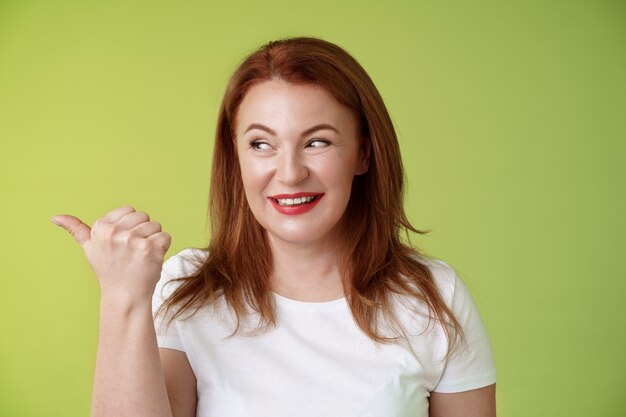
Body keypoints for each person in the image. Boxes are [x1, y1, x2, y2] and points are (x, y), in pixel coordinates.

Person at [52, 36, 496, 417]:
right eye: (261, 143)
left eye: (317, 141)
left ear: (363, 153)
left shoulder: (435, 298)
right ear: (237, 157)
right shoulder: (186, 291)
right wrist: (122, 298)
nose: (289, 173)